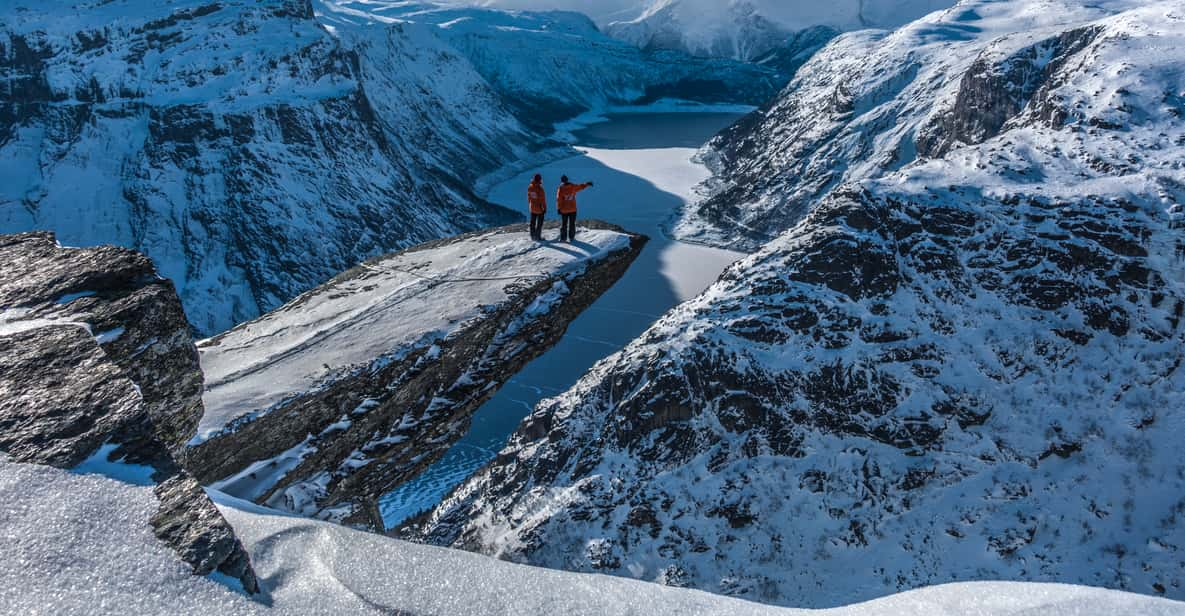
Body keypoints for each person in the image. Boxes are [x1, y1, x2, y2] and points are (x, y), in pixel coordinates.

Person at [556, 175, 593, 242]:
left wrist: (559, 208)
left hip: (564, 210)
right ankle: (571, 237)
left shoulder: (560, 188)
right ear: (567, 179)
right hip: (573, 209)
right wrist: (587, 184)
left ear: (562, 181)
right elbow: (580, 187)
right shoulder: (573, 186)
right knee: (572, 224)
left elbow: (559, 199)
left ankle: (563, 238)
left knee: (564, 224)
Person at [527, 174, 547, 240]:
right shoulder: (540, 189)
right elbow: (542, 200)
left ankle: (532, 236)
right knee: (539, 223)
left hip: (532, 207)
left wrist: (530, 204)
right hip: (539, 208)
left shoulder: (530, 187)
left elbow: (529, 198)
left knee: (532, 223)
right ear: (540, 180)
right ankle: (538, 236)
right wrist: (544, 208)